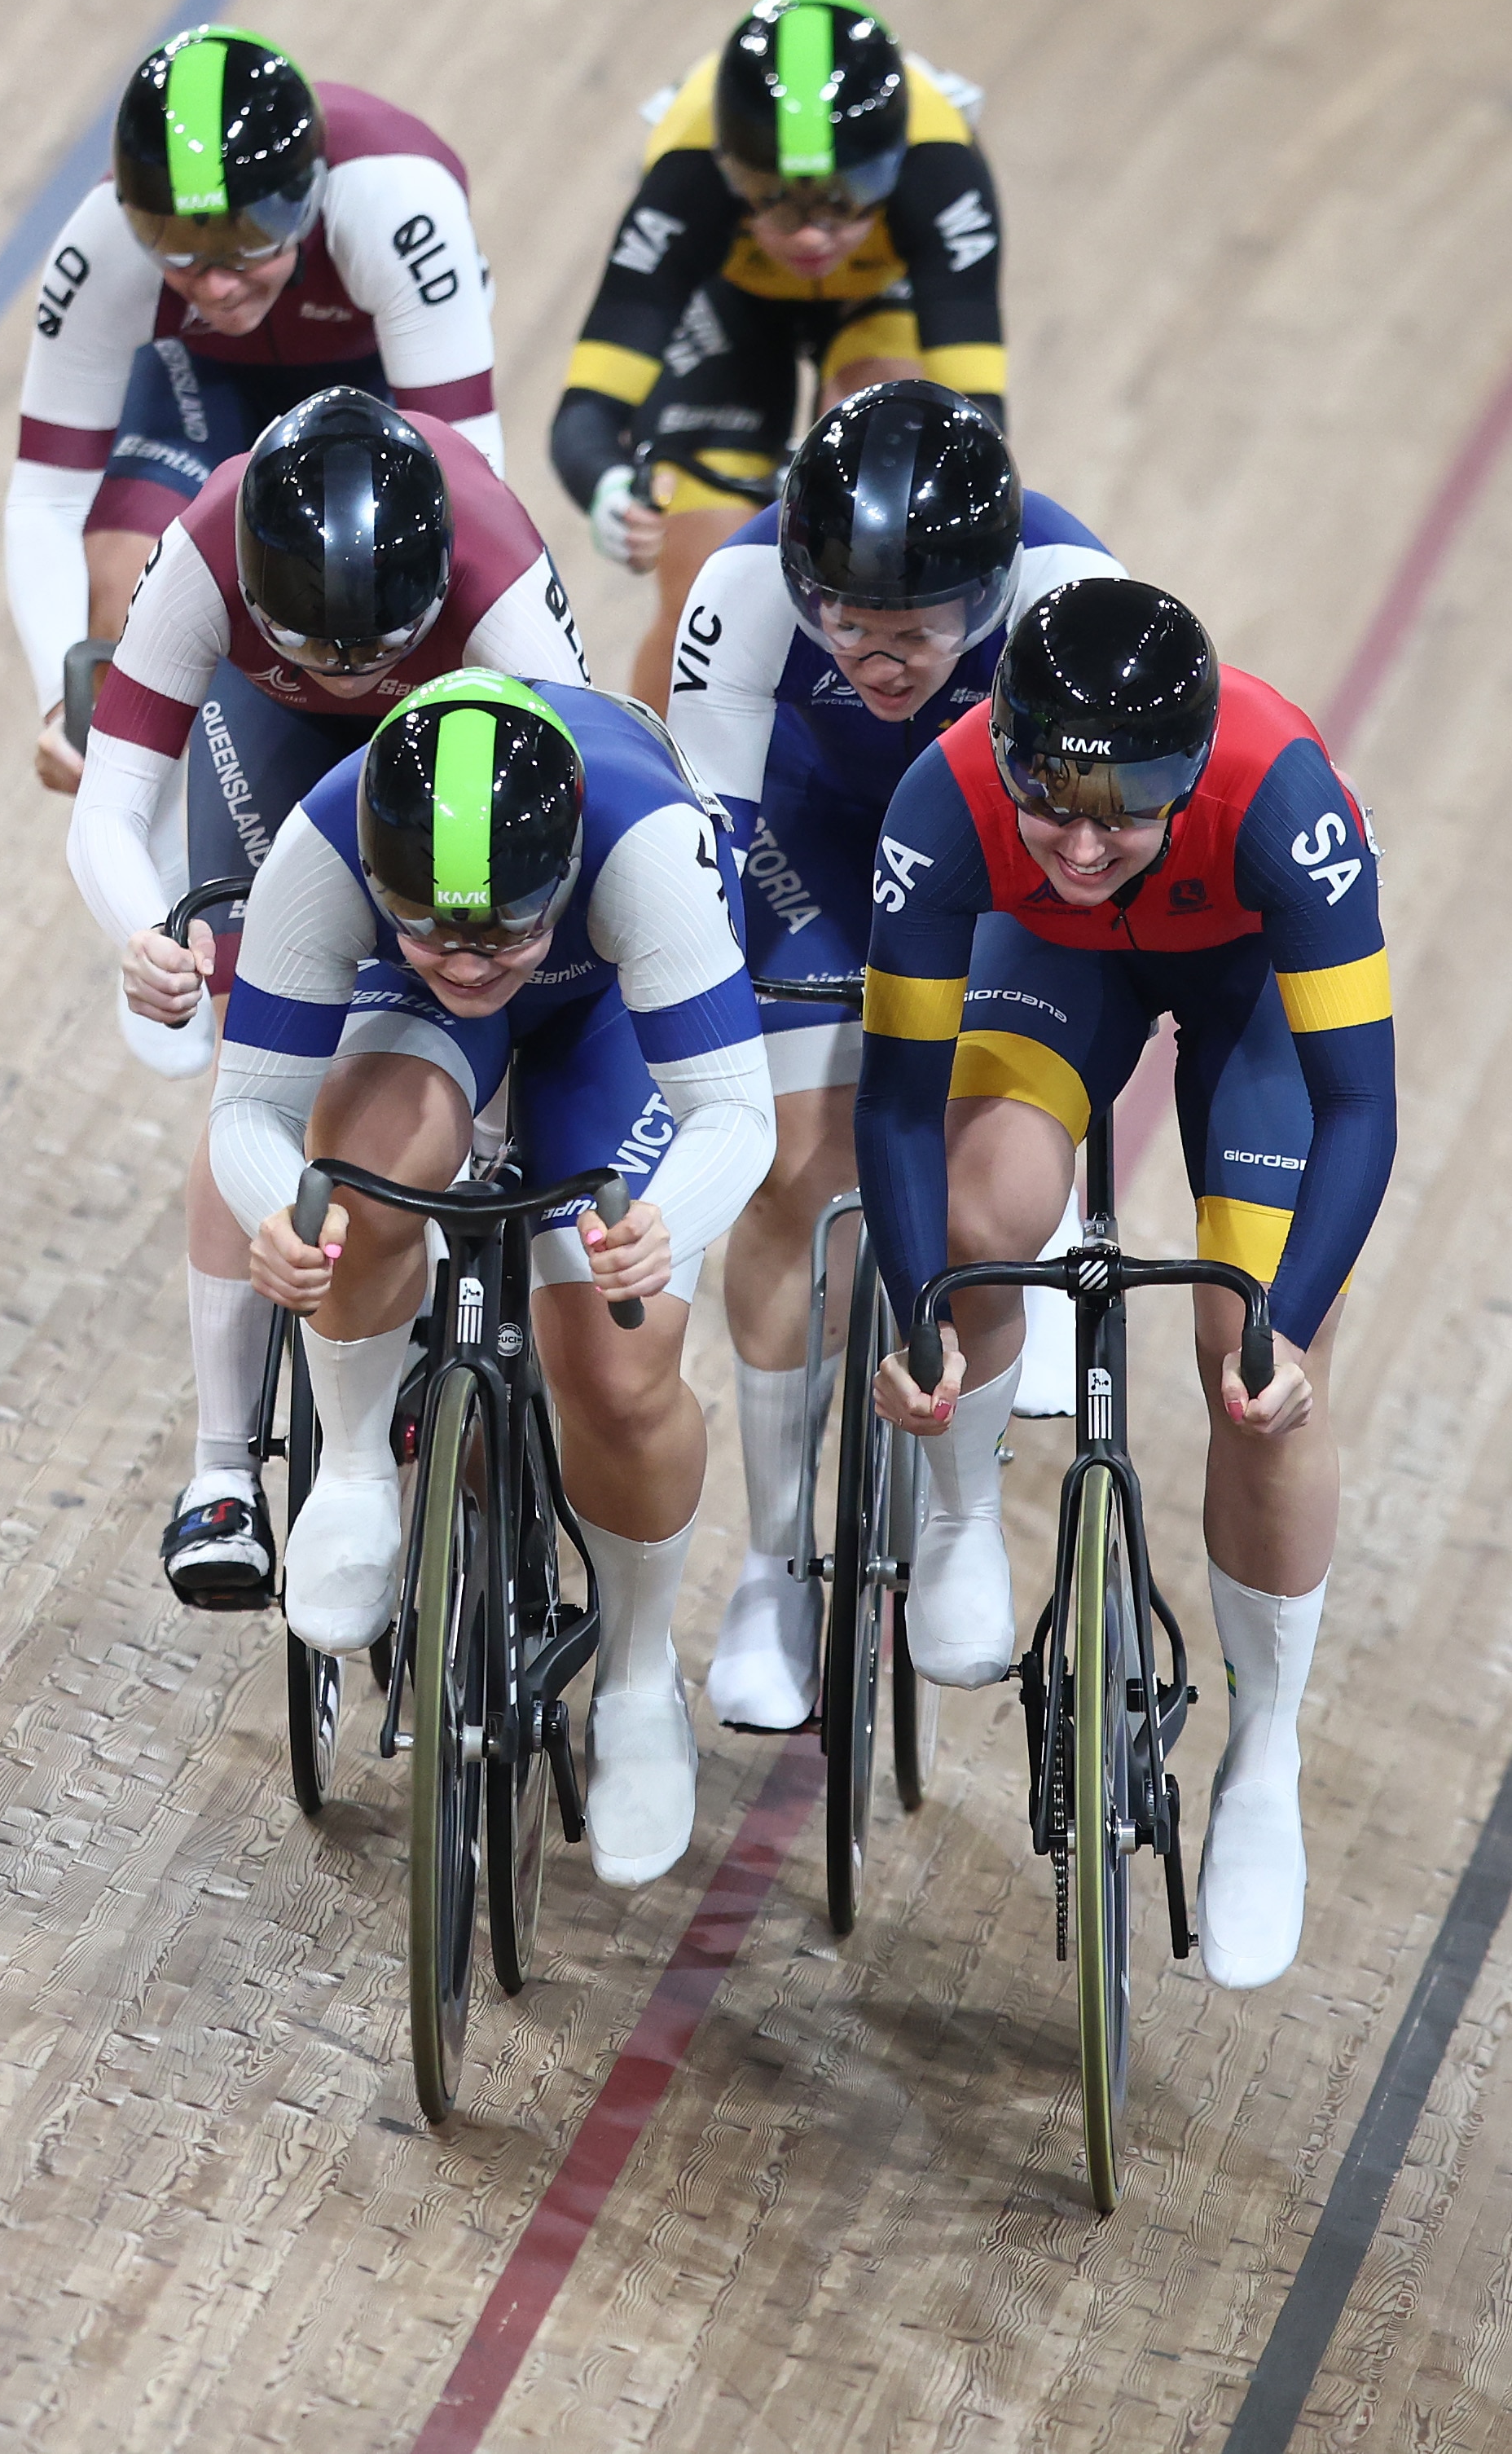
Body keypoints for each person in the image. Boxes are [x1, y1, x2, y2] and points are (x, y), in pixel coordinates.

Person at [855, 576, 1396, 1988]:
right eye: (1055, 805)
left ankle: (1260, 1752)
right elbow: (902, 1109)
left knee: (1252, 1345)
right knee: (991, 1201)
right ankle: (965, 1508)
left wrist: (1285, 1327)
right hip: (1049, 970)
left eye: (1124, 812)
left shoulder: (1282, 797)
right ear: (1008, 751)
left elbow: (1359, 1107)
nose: (1085, 843)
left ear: (1193, 774)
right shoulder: (948, 792)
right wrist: (922, 1311)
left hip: (1249, 991)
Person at [206, 671, 777, 1886]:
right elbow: (251, 1106)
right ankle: (359, 1469)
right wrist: (280, 1214)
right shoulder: (328, 835)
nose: (470, 959)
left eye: (505, 924)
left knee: (616, 1371)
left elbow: (734, 1112)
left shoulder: (644, 851)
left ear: (563, 872)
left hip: (610, 1014)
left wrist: (663, 1221)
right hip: (408, 1025)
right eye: (432, 924)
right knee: (351, 1190)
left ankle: (634, 1678)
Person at [66, 389, 587, 1607]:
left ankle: (473, 1314)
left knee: (495, 965)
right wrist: (145, 935)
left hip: (457, 749)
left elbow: (577, 807)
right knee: (260, 1055)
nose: (349, 672)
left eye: (372, 646)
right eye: (317, 645)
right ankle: (222, 1467)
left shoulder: (494, 561)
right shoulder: (203, 548)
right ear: (255, 593)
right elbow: (111, 802)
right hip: (275, 756)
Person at [666, 380, 1125, 1728]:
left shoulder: (1068, 587)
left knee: (988, 1179)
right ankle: (770, 1568)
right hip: (805, 840)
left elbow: (1101, 878)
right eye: (850, 620)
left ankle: (959, 1514)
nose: (881, 653)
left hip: (1003, 853)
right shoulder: (739, 593)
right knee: (791, 1170)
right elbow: (697, 863)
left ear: (988, 591)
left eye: (922, 624)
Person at [6, 23, 500, 798]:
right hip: (204, 381)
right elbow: (46, 496)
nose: (218, 283)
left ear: (308, 197)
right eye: (178, 247)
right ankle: (165, 908)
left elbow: (470, 482)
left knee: (384, 589)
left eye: (250, 238)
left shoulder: (394, 201)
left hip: (372, 384)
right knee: (123, 616)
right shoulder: (101, 243)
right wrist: (59, 704)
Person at [549, 0, 1005, 710]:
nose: (812, 235)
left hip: (873, 301)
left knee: (896, 493)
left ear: (894, 166)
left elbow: (976, 419)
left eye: (849, 196)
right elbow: (587, 411)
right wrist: (607, 487)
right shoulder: (686, 169)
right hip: (736, 303)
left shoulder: (940, 164)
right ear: (728, 170)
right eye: (773, 197)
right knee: (703, 589)